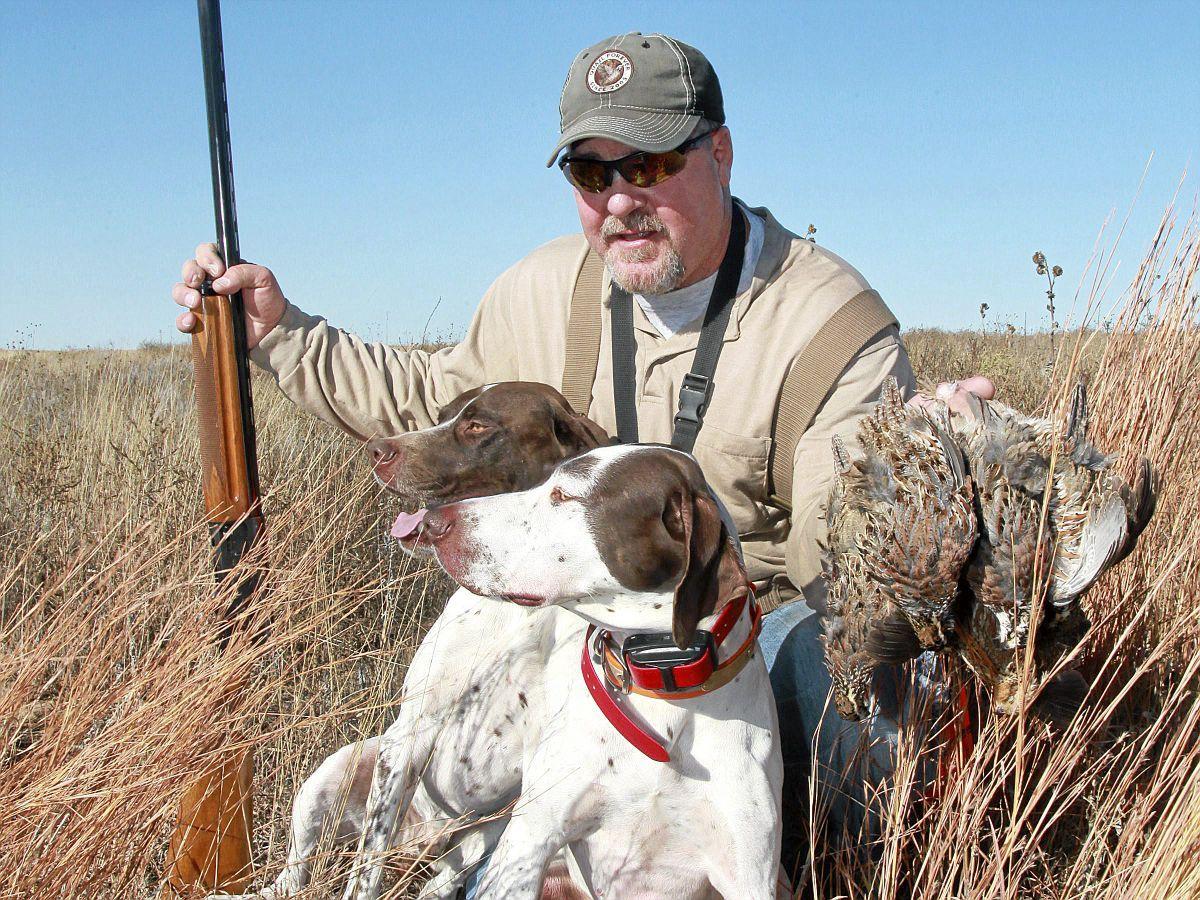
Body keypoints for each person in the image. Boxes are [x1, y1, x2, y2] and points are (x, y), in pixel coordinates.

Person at [172, 32, 993, 884]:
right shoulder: (545, 287)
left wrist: (928, 478)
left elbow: (846, 553)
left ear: (720, 153)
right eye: (591, 175)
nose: (620, 202)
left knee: (845, 676)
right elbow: (433, 406)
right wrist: (282, 335)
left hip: (733, 629)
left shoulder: (828, 323)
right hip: (596, 626)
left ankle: (841, 863)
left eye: (651, 164)